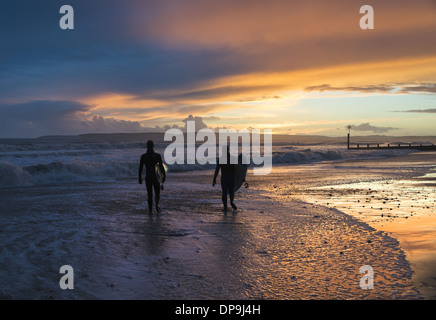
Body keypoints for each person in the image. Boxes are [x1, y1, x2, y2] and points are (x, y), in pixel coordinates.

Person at [139, 140, 166, 213]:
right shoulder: (157, 156)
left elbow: (140, 168)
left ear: (147, 146)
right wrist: (163, 176)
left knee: (149, 194)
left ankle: (150, 211)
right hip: (155, 177)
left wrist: (139, 177)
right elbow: (161, 167)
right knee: (157, 193)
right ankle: (157, 205)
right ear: (153, 146)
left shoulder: (143, 156)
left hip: (148, 177)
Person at [213, 146, 238, 212]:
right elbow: (237, 169)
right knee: (231, 192)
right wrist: (241, 178)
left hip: (224, 177)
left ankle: (225, 207)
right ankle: (231, 202)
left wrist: (214, 179)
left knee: (224, 193)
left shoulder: (221, 159)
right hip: (231, 177)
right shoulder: (233, 158)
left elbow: (217, 169)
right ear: (228, 150)